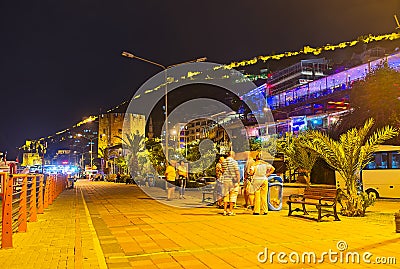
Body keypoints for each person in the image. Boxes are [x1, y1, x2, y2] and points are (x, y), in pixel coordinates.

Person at [221, 151, 240, 216]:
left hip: (225, 180)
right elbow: (237, 172)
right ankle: (230, 211)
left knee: (226, 195)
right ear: (232, 155)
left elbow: (223, 171)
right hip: (232, 181)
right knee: (233, 195)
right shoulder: (234, 162)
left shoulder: (223, 162)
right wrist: (238, 180)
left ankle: (225, 210)